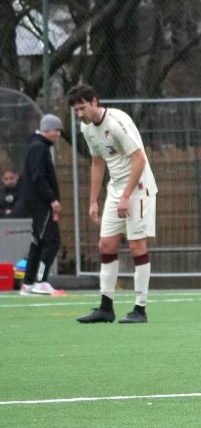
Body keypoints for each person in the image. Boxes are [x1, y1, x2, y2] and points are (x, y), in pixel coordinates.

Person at [68, 85, 157, 323]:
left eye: (83, 108)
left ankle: (140, 309)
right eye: (76, 111)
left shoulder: (117, 123)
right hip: (116, 189)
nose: (80, 114)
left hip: (139, 188)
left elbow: (139, 159)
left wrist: (127, 195)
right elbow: (97, 162)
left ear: (94, 101)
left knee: (137, 245)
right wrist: (93, 200)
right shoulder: (86, 127)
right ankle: (105, 308)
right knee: (106, 245)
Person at [13, 115, 63, 295]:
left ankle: (27, 283)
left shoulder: (36, 146)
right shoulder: (39, 148)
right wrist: (52, 199)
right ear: (47, 130)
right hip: (41, 204)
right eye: (56, 130)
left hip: (36, 203)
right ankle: (41, 281)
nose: (58, 134)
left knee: (38, 242)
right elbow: (38, 177)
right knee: (52, 241)